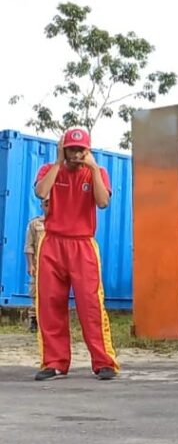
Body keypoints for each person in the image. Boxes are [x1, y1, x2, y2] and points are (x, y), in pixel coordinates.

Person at [33, 128, 118, 381]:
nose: (77, 154)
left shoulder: (97, 173)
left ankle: (104, 362)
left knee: (91, 305)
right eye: (72, 149)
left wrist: (92, 169)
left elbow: (103, 202)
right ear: (64, 149)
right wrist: (58, 163)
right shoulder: (50, 169)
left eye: (82, 149)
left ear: (88, 150)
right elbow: (40, 192)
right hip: (52, 243)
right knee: (50, 304)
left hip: (82, 245)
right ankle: (55, 362)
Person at [24, 199, 48, 333]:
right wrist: (30, 265)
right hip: (39, 264)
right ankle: (34, 320)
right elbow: (29, 246)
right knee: (35, 292)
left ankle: (49, 322)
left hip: (55, 265)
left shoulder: (61, 223)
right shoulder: (35, 224)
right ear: (41, 206)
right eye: (46, 203)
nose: (48, 206)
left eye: (51, 202)